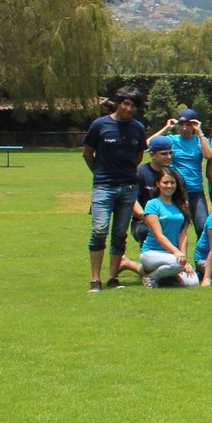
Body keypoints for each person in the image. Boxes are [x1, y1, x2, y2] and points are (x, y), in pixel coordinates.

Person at [82, 86, 148, 291]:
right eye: (126, 104)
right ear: (118, 103)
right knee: (99, 231)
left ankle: (112, 278)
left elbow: (139, 155)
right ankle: (95, 279)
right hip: (104, 187)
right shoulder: (100, 125)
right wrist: (100, 174)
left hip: (128, 187)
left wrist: (125, 173)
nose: (129, 108)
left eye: (134, 106)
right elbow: (87, 153)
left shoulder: (138, 128)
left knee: (120, 234)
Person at [118, 167, 199, 288]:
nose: (169, 186)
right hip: (152, 253)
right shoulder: (152, 205)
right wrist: (176, 252)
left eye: (172, 182)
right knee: (177, 265)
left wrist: (184, 258)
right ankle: (150, 278)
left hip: (173, 255)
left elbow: (183, 234)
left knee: (192, 283)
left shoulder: (181, 205)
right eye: (165, 182)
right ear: (158, 184)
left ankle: (163, 276)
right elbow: (158, 235)